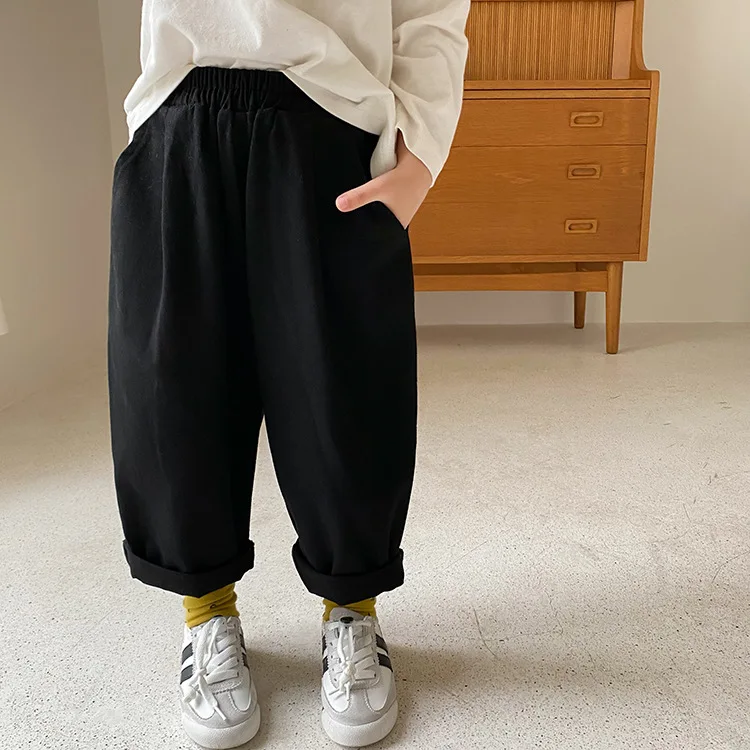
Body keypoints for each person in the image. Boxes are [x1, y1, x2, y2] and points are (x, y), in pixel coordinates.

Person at [108, 1, 470, 747]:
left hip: (333, 114)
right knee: (173, 390)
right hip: (180, 99)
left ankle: (353, 613)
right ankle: (206, 615)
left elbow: (434, 10)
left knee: (344, 391)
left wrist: (423, 154)